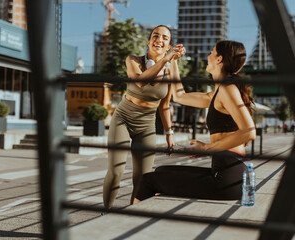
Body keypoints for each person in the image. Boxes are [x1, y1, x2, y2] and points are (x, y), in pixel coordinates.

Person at [134, 40, 256, 203]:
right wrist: (173, 62)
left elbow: (249, 131)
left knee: (148, 180)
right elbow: (180, 96)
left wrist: (205, 148)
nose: (208, 56)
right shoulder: (219, 93)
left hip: (227, 179)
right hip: (224, 172)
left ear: (219, 59)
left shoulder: (228, 89)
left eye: (211, 53)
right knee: (162, 170)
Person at [103, 25, 186, 208]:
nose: (159, 40)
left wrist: (169, 133)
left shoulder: (171, 69)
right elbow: (140, 82)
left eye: (165, 38)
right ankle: (106, 212)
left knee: (142, 177)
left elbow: (165, 106)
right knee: (116, 171)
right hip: (123, 117)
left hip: (147, 123)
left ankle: (133, 216)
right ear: (148, 41)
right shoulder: (133, 60)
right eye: (155, 36)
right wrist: (165, 60)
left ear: (169, 45)